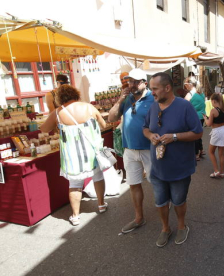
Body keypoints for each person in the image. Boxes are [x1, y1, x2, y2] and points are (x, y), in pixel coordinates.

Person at [143, 72, 203, 247]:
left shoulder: (184, 106)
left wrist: (175, 137)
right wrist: (151, 136)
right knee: (160, 202)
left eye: (154, 89)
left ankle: (182, 226)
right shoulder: (154, 107)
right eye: (151, 88)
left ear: (167, 88)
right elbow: (145, 128)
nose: (152, 92)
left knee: (178, 201)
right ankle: (165, 228)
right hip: (158, 167)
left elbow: (198, 132)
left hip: (179, 167)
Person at [40, 85, 107, 226]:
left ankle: (75, 216)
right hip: (91, 152)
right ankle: (101, 204)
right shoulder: (88, 107)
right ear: (75, 94)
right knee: (98, 177)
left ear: (59, 98)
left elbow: (44, 129)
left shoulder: (58, 113)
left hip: (72, 156)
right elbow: (103, 125)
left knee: (75, 184)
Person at [108, 68, 153, 234]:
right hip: (129, 149)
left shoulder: (153, 99)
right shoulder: (126, 100)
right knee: (133, 184)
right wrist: (120, 99)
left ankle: (165, 210)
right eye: (129, 81)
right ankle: (139, 218)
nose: (131, 85)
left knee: (157, 182)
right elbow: (111, 118)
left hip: (149, 148)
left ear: (144, 83)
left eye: (135, 81)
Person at [203, 93, 224, 178]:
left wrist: (205, 118)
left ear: (214, 101)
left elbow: (208, 124)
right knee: (221, 153)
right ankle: (222, 172)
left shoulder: (213, 111)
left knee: (211, 152)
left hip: (216, 132)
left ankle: (216, 171)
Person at [184, 76, 206, 160]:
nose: (185, 86)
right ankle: (201, 150)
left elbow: (184, 106)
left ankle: (196, 153)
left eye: (186, 84)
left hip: (193, 117)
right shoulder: (201, 93)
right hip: (202, 116)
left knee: (194, 135)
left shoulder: (190, 94)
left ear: (190, 84)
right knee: (199, 134)